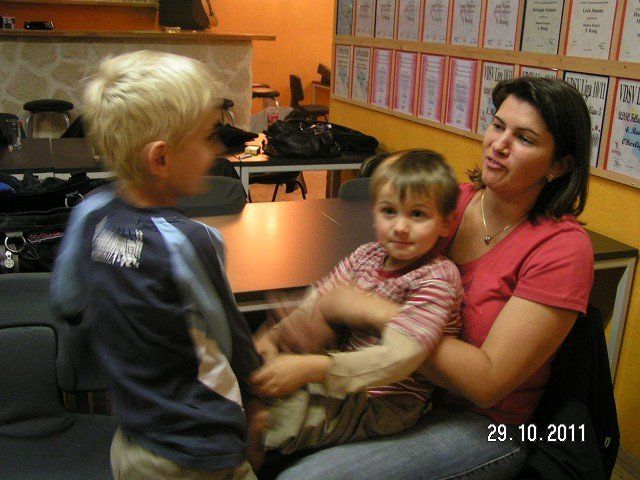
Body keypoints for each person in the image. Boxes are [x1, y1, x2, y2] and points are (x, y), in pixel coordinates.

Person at [272, 76, 594, 480]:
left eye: (524, 139)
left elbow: (487, 384)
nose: (499, 144)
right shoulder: (447, 203)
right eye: (497, 125)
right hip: (394, 390)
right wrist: (292, 333)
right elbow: (361, 278)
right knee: (247, 425)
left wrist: (376, 312)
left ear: (559, 166)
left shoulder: (562, 249)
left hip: (487, 425)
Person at [49, 50, 262, 480]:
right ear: (161, 159)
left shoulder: (90, 213)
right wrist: (258, 405)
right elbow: (231, 337)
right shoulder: (191, 240)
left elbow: (66, 300)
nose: (215, 150)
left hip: (133, 438)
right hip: (200, 445)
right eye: (206, 138)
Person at [250, 150, 463, 461]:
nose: (400, 227)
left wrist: (313, 369)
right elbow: (318, 300)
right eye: (389, 211)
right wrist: (273, 337)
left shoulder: (437, 277)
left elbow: (401, 357)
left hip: (386, 403)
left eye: (417, 214)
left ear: (446, 223)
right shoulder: (366, 254)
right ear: (374, 212)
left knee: (260, 421)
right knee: (244, 387)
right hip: (341, 381)